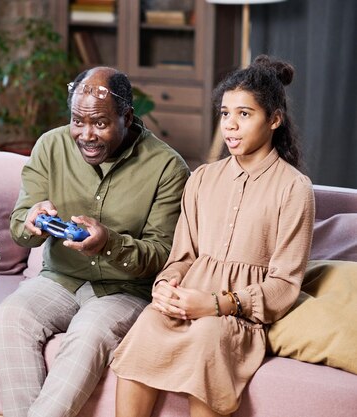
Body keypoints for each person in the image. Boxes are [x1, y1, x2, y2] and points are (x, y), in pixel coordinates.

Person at [111, 55, 315, 417]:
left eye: (244, 114)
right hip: (185, 304)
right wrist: (165, 285)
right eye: (225, 114)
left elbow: (284, 284)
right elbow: (183, 257)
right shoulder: (203, 178)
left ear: (275, 120)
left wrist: (217, 305)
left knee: (208, 338)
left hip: (235, 318)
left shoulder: (294, 188)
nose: (231, 126)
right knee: (145, 326)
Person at [0, 66, 190, 417]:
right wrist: (31, 220)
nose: (86, 135)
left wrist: (108, 243)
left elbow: (162, 255)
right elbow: (20, 224)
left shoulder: (167, 167)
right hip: (60, 279)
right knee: (9, 316)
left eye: (99, 123)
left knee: (88, 333)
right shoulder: (50, 147)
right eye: (77, 121)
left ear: (127, 117)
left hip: (125, 289)